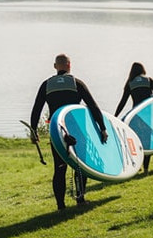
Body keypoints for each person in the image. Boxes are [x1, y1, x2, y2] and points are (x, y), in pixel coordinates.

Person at [29, 53, 107, 210]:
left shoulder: (46, 85)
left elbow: (36, 109)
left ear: (55, 66)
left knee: (59, 167)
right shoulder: (77, 83)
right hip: (76, 130)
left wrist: (34, 131)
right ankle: (80, 200)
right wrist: (102, 128)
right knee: (80, 165)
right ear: (69, 65)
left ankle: (60, 206)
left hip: (56, 131)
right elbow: (93, 106)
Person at [114, 62, 153, 174]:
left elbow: (122, 102)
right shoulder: (148, 80)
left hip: (136, 116)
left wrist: (115, 116)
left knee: (136, 142)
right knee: (147, 141)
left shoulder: (130, 83)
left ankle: (136, 166)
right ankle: (145, 169)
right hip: (148, 115)